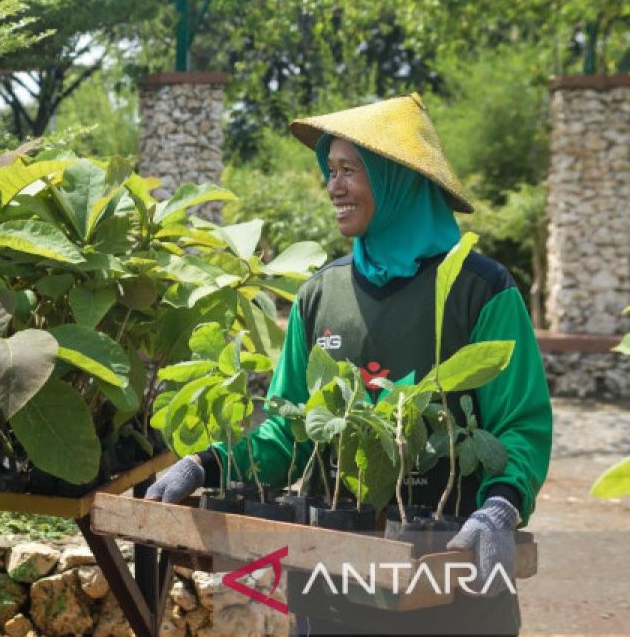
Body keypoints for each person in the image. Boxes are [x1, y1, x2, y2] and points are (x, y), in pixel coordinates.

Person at [145, 93, 552, 635]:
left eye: (349, 170)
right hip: (332, 586)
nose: (333, 187)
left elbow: (519, 424)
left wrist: (499, 506)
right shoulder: (321, 294)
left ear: (395, 179)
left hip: (451, 584)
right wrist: (207, 464)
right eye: (329, 170)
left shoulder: (480, 290)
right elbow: (290, 435)